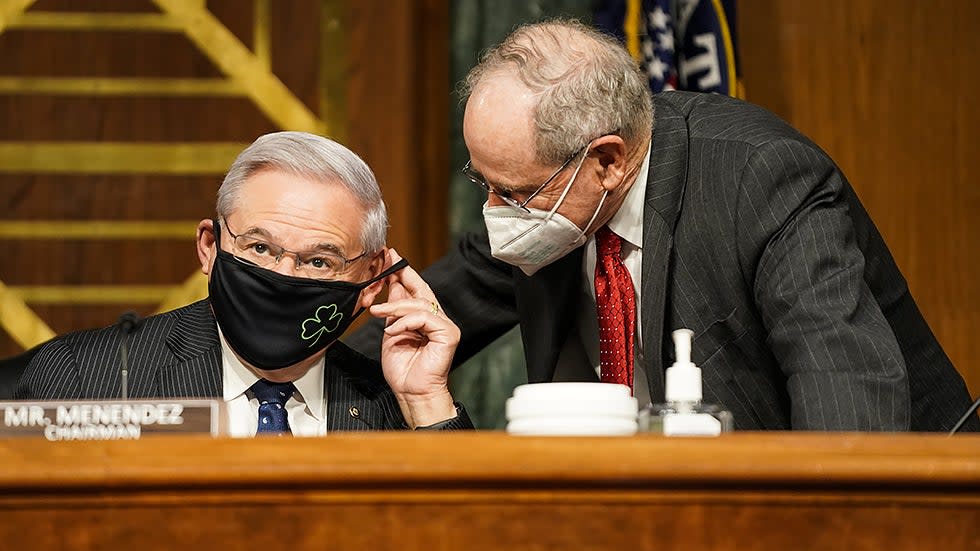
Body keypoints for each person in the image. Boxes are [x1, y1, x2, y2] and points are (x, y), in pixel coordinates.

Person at [347, 19, 979, 432]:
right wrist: (295, 377)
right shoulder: (545, 206)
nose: (496, 212)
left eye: (514, 191)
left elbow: (851, 415)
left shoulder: (762, 182)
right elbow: (413, 327)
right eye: (484, 184)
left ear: (608, 160)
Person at [17, 131, 472, 434]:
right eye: (259, 248)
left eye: (318, 261)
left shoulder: (398, 408)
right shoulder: (85, 377)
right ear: (209, 247)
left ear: (371, 280)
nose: (282, 276)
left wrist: (424, 401)